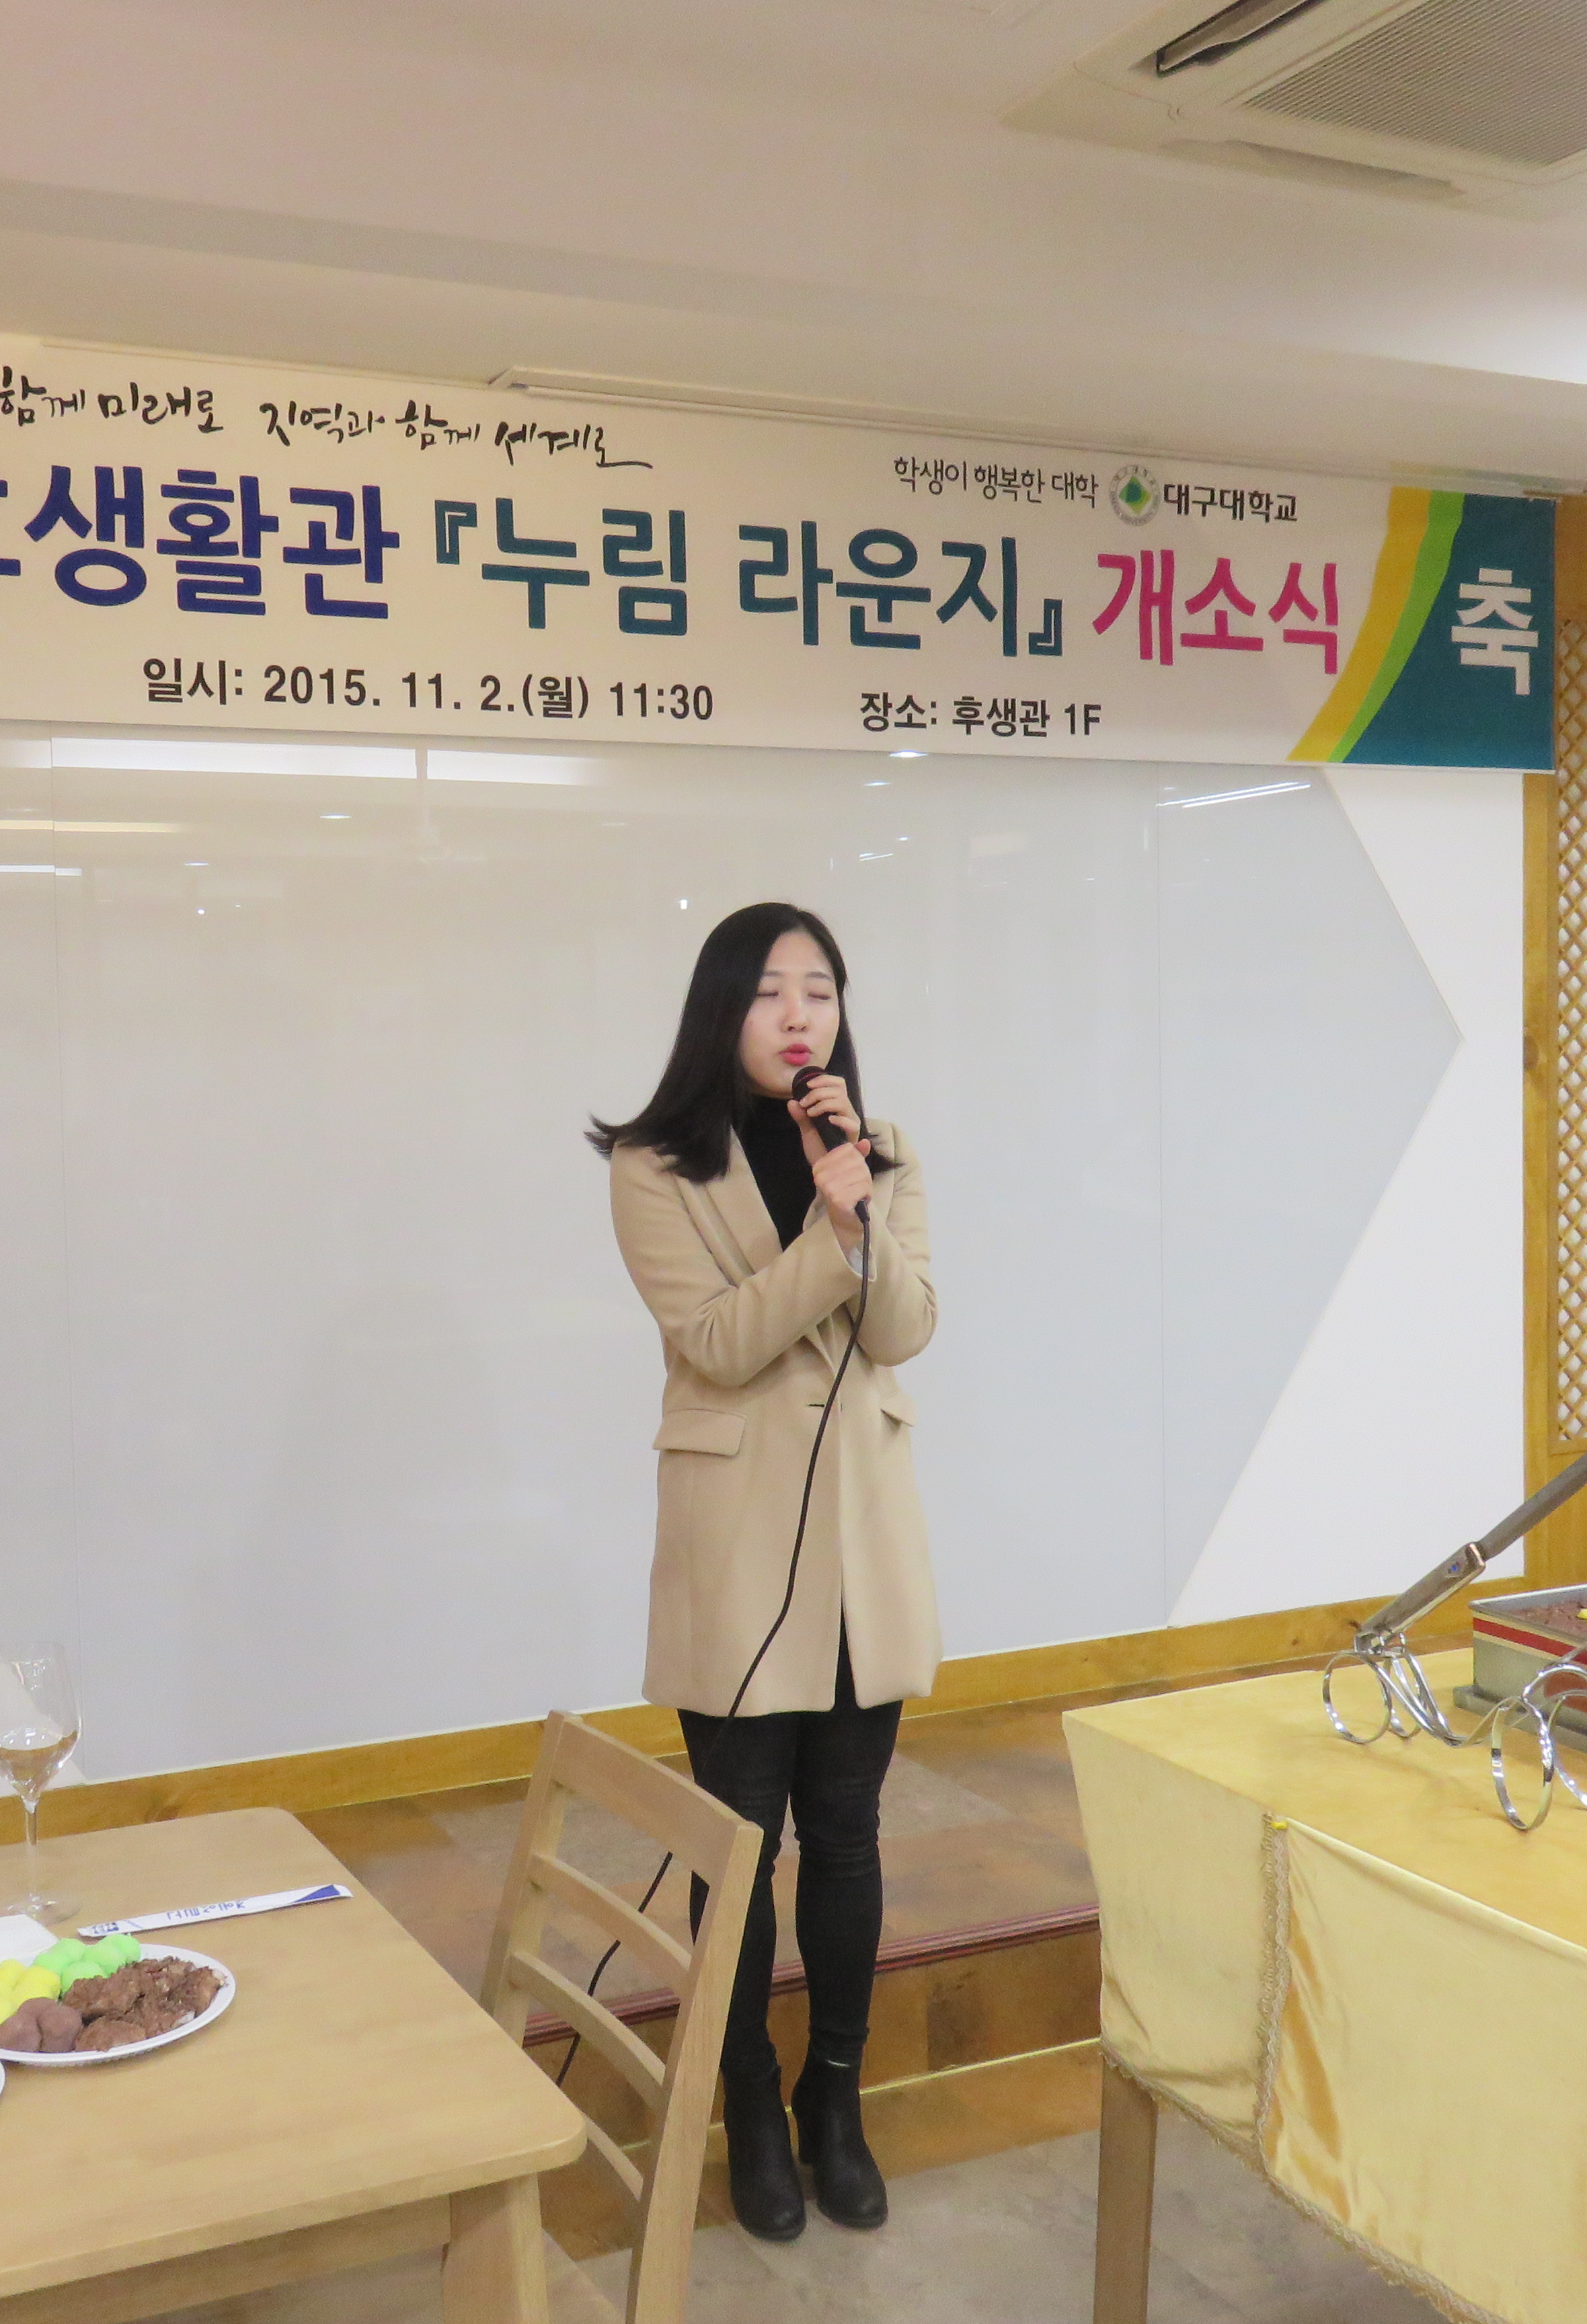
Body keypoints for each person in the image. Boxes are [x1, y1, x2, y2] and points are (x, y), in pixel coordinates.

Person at [588, 900, 939, 2241]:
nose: (800, 1016)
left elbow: (905, 1330)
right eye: (771, 992)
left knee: (847, 1835)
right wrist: (827, 1241)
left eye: (822, 992)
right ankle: (744, 2100)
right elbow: (722, 1343)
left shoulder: (880, 1151)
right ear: (721, 1008)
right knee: (738, 1847)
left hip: (862, 1544)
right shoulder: (653, 1165)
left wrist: (860, 1209)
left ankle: (832, 2099)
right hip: (740, 1551)